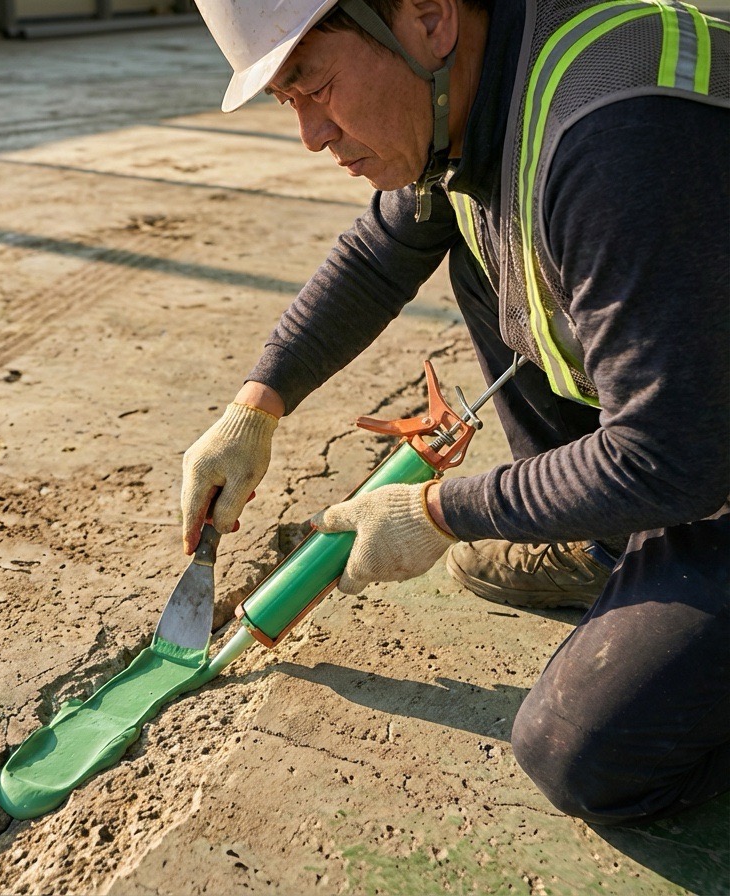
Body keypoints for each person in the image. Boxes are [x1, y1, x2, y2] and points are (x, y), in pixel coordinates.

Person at [180, 0, 729, 824]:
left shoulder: (613, 139)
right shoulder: (483, 80)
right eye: (287, 102)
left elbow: (672, 455)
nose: (313, 137)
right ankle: (611, 539)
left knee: (584, 754)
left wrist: (439, 512)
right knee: (480, 239)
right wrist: (256, 406)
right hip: (699, 406)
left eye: (316, 86)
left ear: (429, 17)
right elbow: (381, 252)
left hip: (696, 448)